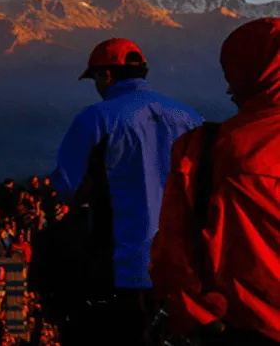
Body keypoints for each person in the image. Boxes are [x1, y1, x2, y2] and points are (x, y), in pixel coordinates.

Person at [48, 38, 202, 344]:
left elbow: (68, 188)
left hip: (121, 267)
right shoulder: (189, 118)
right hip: (184, 269)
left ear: (106, 76)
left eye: (94, 79)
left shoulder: (97, 118)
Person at [152, 18, 280, 344]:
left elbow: (174, 259)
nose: (228, 90)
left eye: (232, 76)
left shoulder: (205, 151)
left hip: (242, 328)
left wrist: (197, 317)